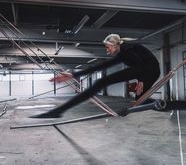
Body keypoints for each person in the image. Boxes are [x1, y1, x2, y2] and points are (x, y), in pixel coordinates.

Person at [31, 34, 161, 118]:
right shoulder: (123, 52)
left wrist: (141, 81)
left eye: (107, 47)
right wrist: (73, 74)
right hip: (145, 71)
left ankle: (57, 112)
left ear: (114, 45)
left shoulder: (127, 49)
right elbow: (102, 66)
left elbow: (140, 66)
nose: (106, 50)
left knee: (101, 82)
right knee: (139, 102)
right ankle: (58, 111)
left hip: (150, 71)